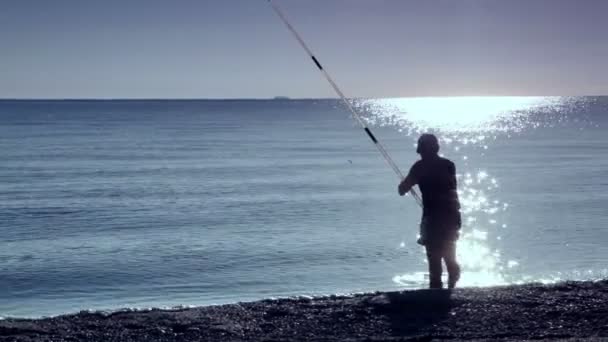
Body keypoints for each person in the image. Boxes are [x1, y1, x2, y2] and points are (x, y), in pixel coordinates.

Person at [398, 133, 462, 289]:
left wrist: (404, 183)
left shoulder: (419, 167)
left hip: (432, 217)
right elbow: (452, 187)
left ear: (421, 149)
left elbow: (402, 189)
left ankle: (437, 290)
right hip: (452, 214)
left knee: (434, 258)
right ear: (436, 147)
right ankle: (452, 286)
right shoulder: (449, 165)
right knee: (449, 255)